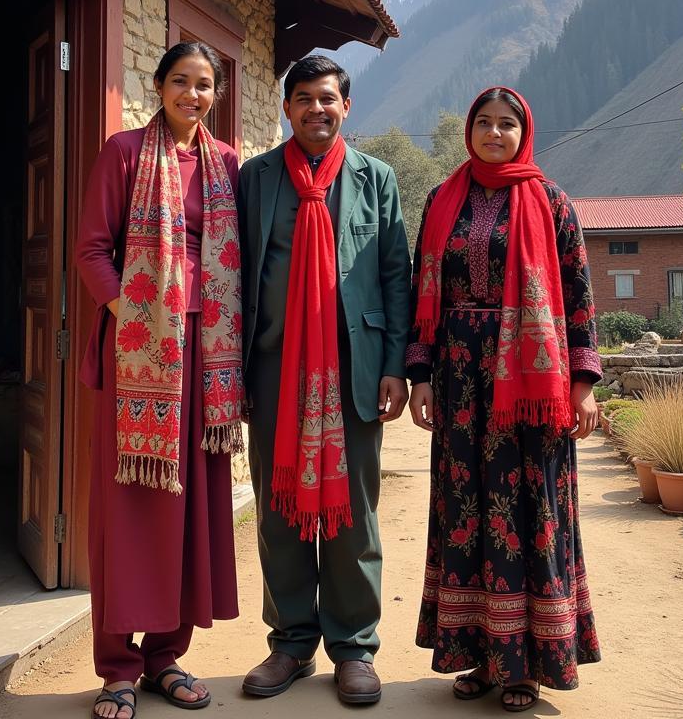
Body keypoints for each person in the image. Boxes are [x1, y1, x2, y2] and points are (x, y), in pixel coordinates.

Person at [406, 87, 602, 713]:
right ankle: (477, 657)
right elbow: (422, 294)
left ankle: (526, 665)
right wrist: (420, 375)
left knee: (528, 510)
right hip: (462, 382)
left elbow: (577, 296)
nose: (494, 134)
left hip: (532, 386)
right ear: (470, 131)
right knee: (467, 510)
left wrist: (583, 382)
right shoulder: (442, 201)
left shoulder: (552, 203)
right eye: (484, 124)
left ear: (525, 132)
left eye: (506, 125)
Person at [76, 42, 245, 718]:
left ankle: (165, 656)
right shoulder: (122, 153)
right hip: (143, 356)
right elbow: (92, 247)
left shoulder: (227, 164)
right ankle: (117, 664)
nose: (194, 95)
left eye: (205, 85)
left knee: (193, 508)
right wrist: (134, 311)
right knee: (129, 508)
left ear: (216, 95)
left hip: (209, 355)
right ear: (158, 85)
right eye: (181, 81)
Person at [236, 55, 411, 706]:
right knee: (280, 510)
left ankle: (354, 647)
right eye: (303, 98)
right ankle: (289, 643)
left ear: (347, 107)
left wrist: (396, 364)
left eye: (328, 99)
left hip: (355, 369)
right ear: (287, 108)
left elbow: (396, 274)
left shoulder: (376, 179)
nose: (316, 109)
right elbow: (235, 271)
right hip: (274, 369)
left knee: (353, 514)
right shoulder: (255, 179)